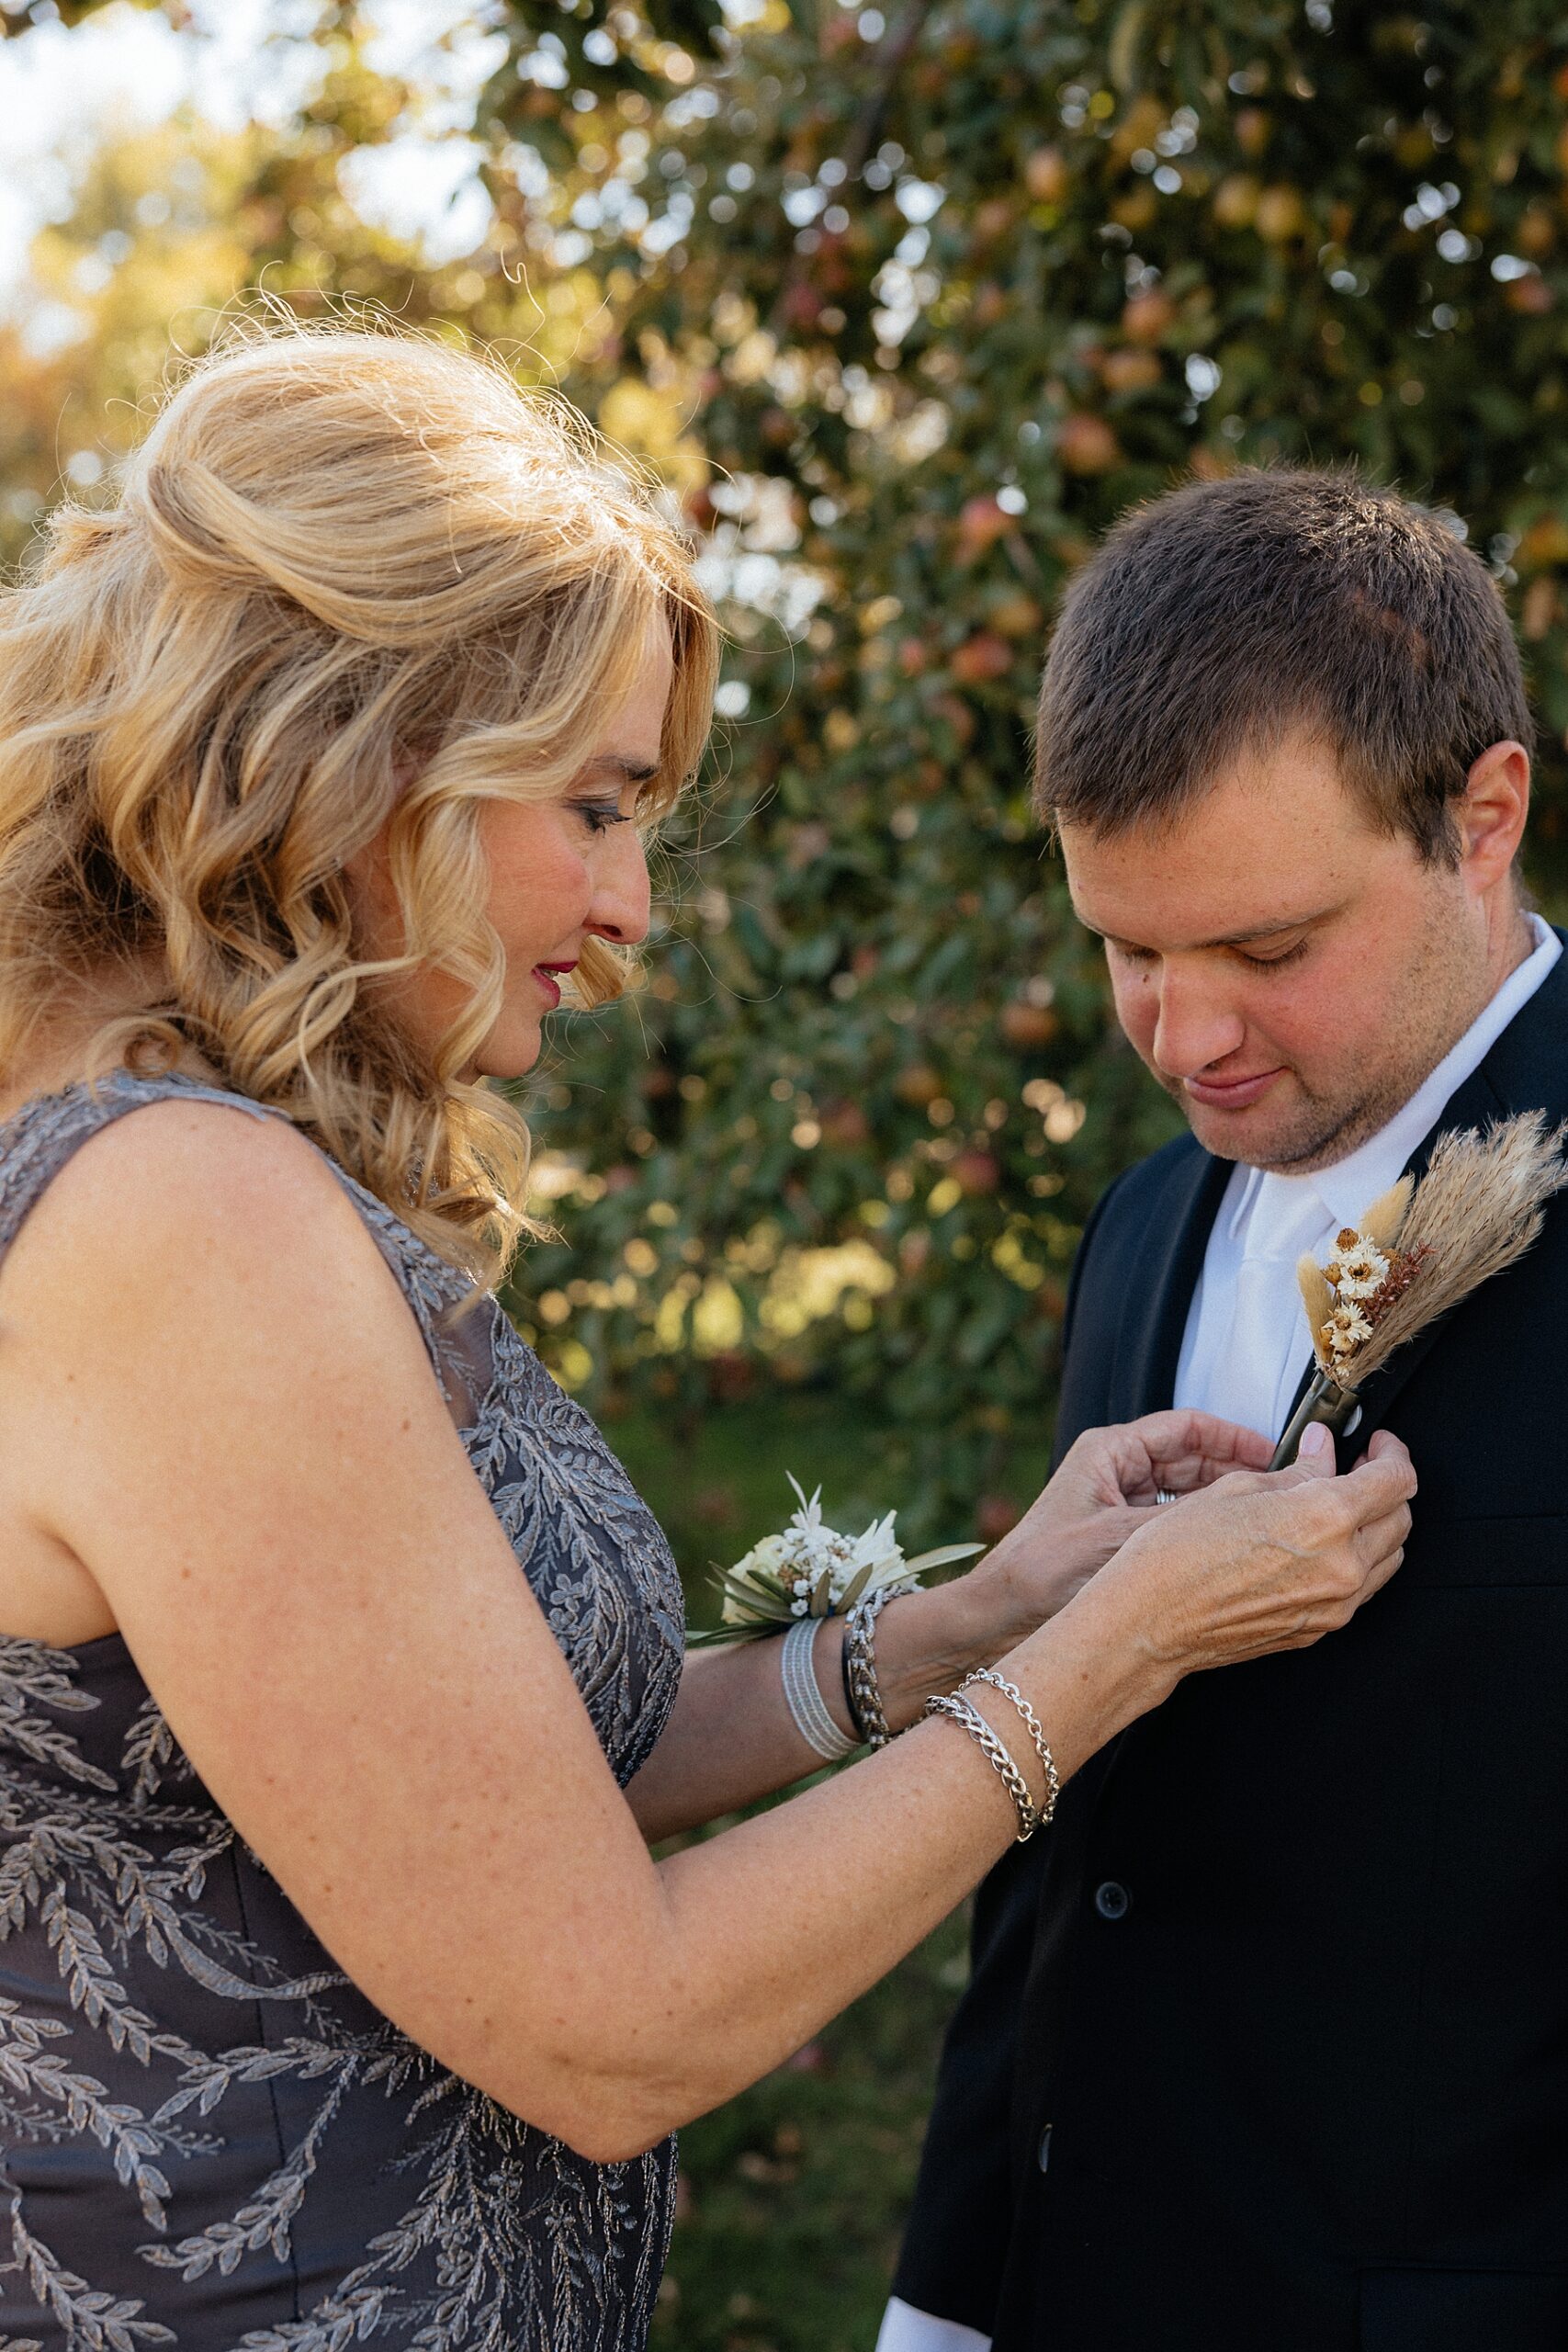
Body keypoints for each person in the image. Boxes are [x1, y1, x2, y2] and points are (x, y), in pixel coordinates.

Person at [0, 328, 1413, 2352]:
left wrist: (969, 1618)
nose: (636, 899)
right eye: (592, 802)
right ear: (354, 745)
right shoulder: (183, 1218)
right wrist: (1118, 1654)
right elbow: (611, 2023)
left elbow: (465, 1780)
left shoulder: (167, 1158)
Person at [884, 469, 1568, 2352]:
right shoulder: (1137, 1227)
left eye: (1265, 951)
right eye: (1124, 949)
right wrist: (945, 2298)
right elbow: (1067, 1857)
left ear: (1478, 816)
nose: (1182, 1038)